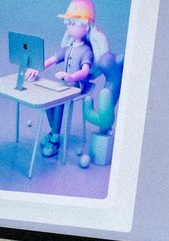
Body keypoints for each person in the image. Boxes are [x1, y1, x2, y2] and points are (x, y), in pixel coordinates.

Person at [25, 0, 96, 157]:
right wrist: (37, 67)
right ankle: (54, 131)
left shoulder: (86, 51)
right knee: (46, 99)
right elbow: (52, 60)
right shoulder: (69, 48)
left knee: (58, 102)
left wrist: (71, 77)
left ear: (86, 26)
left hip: (76, 86)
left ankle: (55, 139)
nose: (69, 26)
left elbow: (85, 71)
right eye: (68, 22)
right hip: (65, 85)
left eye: (74, 23)